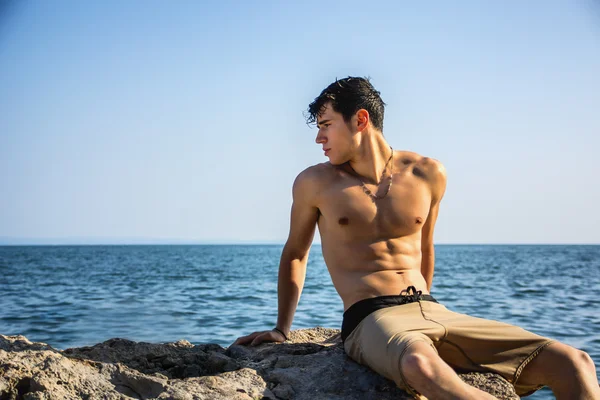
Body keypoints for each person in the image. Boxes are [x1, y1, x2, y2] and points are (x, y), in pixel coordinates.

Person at [233, 77, 600, 399]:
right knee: (420, 363)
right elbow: (296, 253)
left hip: (432, 308)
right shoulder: (315, 183)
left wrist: (430, 313)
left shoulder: (428, 173)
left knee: (574, 362)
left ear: (360, 119)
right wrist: (283, 329)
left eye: (326, 125)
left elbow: (426, 247)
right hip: (371, 317)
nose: (319, 138)